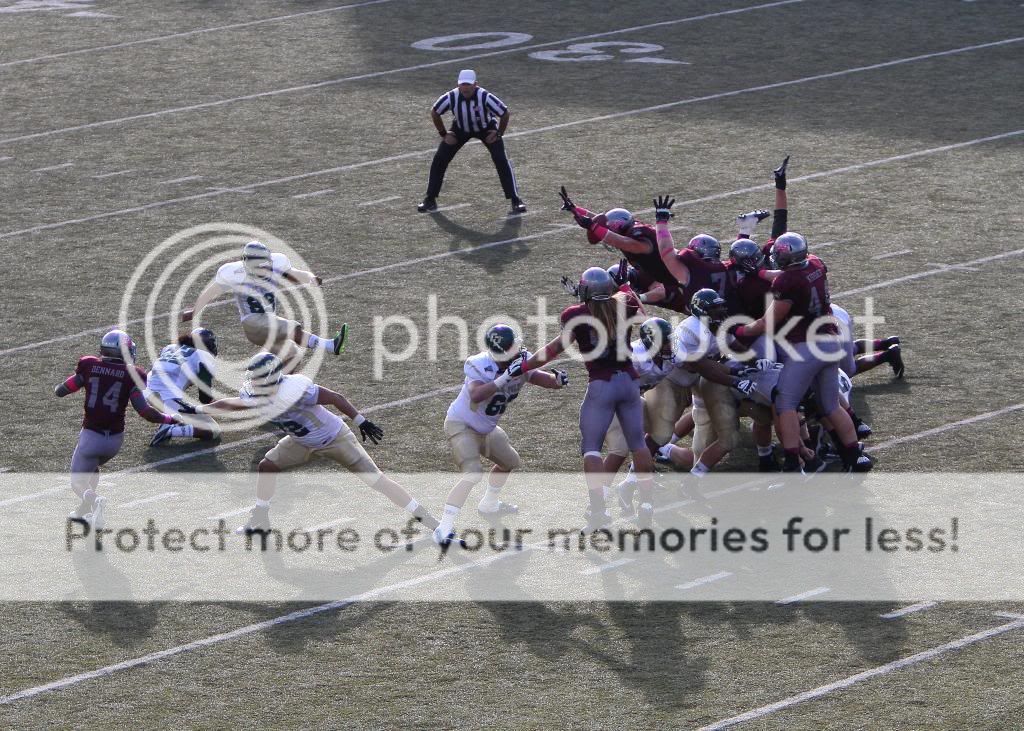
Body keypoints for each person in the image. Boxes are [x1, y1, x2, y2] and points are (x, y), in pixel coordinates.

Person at [177, 352, 442, 533]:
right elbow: (230, 405)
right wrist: (200, 410)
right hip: (301, 441)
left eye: (256, 378)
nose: (251, 382)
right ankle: (260, 519)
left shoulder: (297, 389)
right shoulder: (256, 393)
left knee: (377, 481)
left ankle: (428, 520)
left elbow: (335, 397)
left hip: (335, 438)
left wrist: (360, 420)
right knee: (266, 466)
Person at [509, 265, 655, 529]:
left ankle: (599, 511)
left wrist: (524, 366)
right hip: (630, 382)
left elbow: (554, 349)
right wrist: (623, 287)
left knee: (591, 449)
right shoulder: (625, 303)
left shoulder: (575, 314)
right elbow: (642, 315)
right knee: (638, 444)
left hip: (603, 385)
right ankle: (646, 504)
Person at [732, 233, 871, 472]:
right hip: (831, 341)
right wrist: (759, 273)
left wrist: (740, 331)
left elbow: (768, 323)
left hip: (807, 348)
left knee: (784, 402)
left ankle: (792, 461)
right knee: (830, 404)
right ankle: (854, 455)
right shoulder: (816, 263)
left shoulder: (786, 283)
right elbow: (788, 275)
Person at [435, 324, 568, 545]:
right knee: (473, 473)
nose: (518, 348)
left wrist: (557, 381)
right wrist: (505, 377)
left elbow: (539, 377)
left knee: (509, 461)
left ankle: (489, 504)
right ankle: (443, 528)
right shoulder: (479, 363)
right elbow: (476, 395)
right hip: (462, 425)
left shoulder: (520, 363)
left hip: (487, 429)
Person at [55, 330, 183, 528]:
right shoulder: (132, 374)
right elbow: (145, 412)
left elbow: (61, 391)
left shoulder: (90, 365)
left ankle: (95, 501)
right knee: (92, 468)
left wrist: (73, 382)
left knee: (77, 482)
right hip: (114, 441)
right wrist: (170, 419)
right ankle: (84, 511)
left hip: (91, 437)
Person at [181, 241, 345, 370]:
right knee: (292, 328)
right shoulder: (233, 273)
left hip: (270, 322)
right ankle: (330, 345)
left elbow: (297, 274)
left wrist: (311, 278)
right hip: (252, 323)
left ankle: (270, 392)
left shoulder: (278, 262)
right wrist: (194, 311)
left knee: (293, 358)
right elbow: (211, 293)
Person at [419, 69, 526, 214]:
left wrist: (499, 133)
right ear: (458, 85)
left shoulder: (485, 96)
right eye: (463, 84)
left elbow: (504, 113)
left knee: (501, 159)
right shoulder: (452, 96)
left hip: (486, 128)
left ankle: (515, 199)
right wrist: (444, 134)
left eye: (468, 84)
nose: (465, 87)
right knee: (440, 158)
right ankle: (430, 198)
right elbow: (435, 111)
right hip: (460, 128)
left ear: (475, 84)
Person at [146, 328, 222, 446]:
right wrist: (221, 405)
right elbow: (205, 398)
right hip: (166, 397)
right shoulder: (204, 356)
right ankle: (171, 430)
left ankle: (173, 421)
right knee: (213, 430)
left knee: (184, 406)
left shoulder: (169, 347)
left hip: (145, 391)